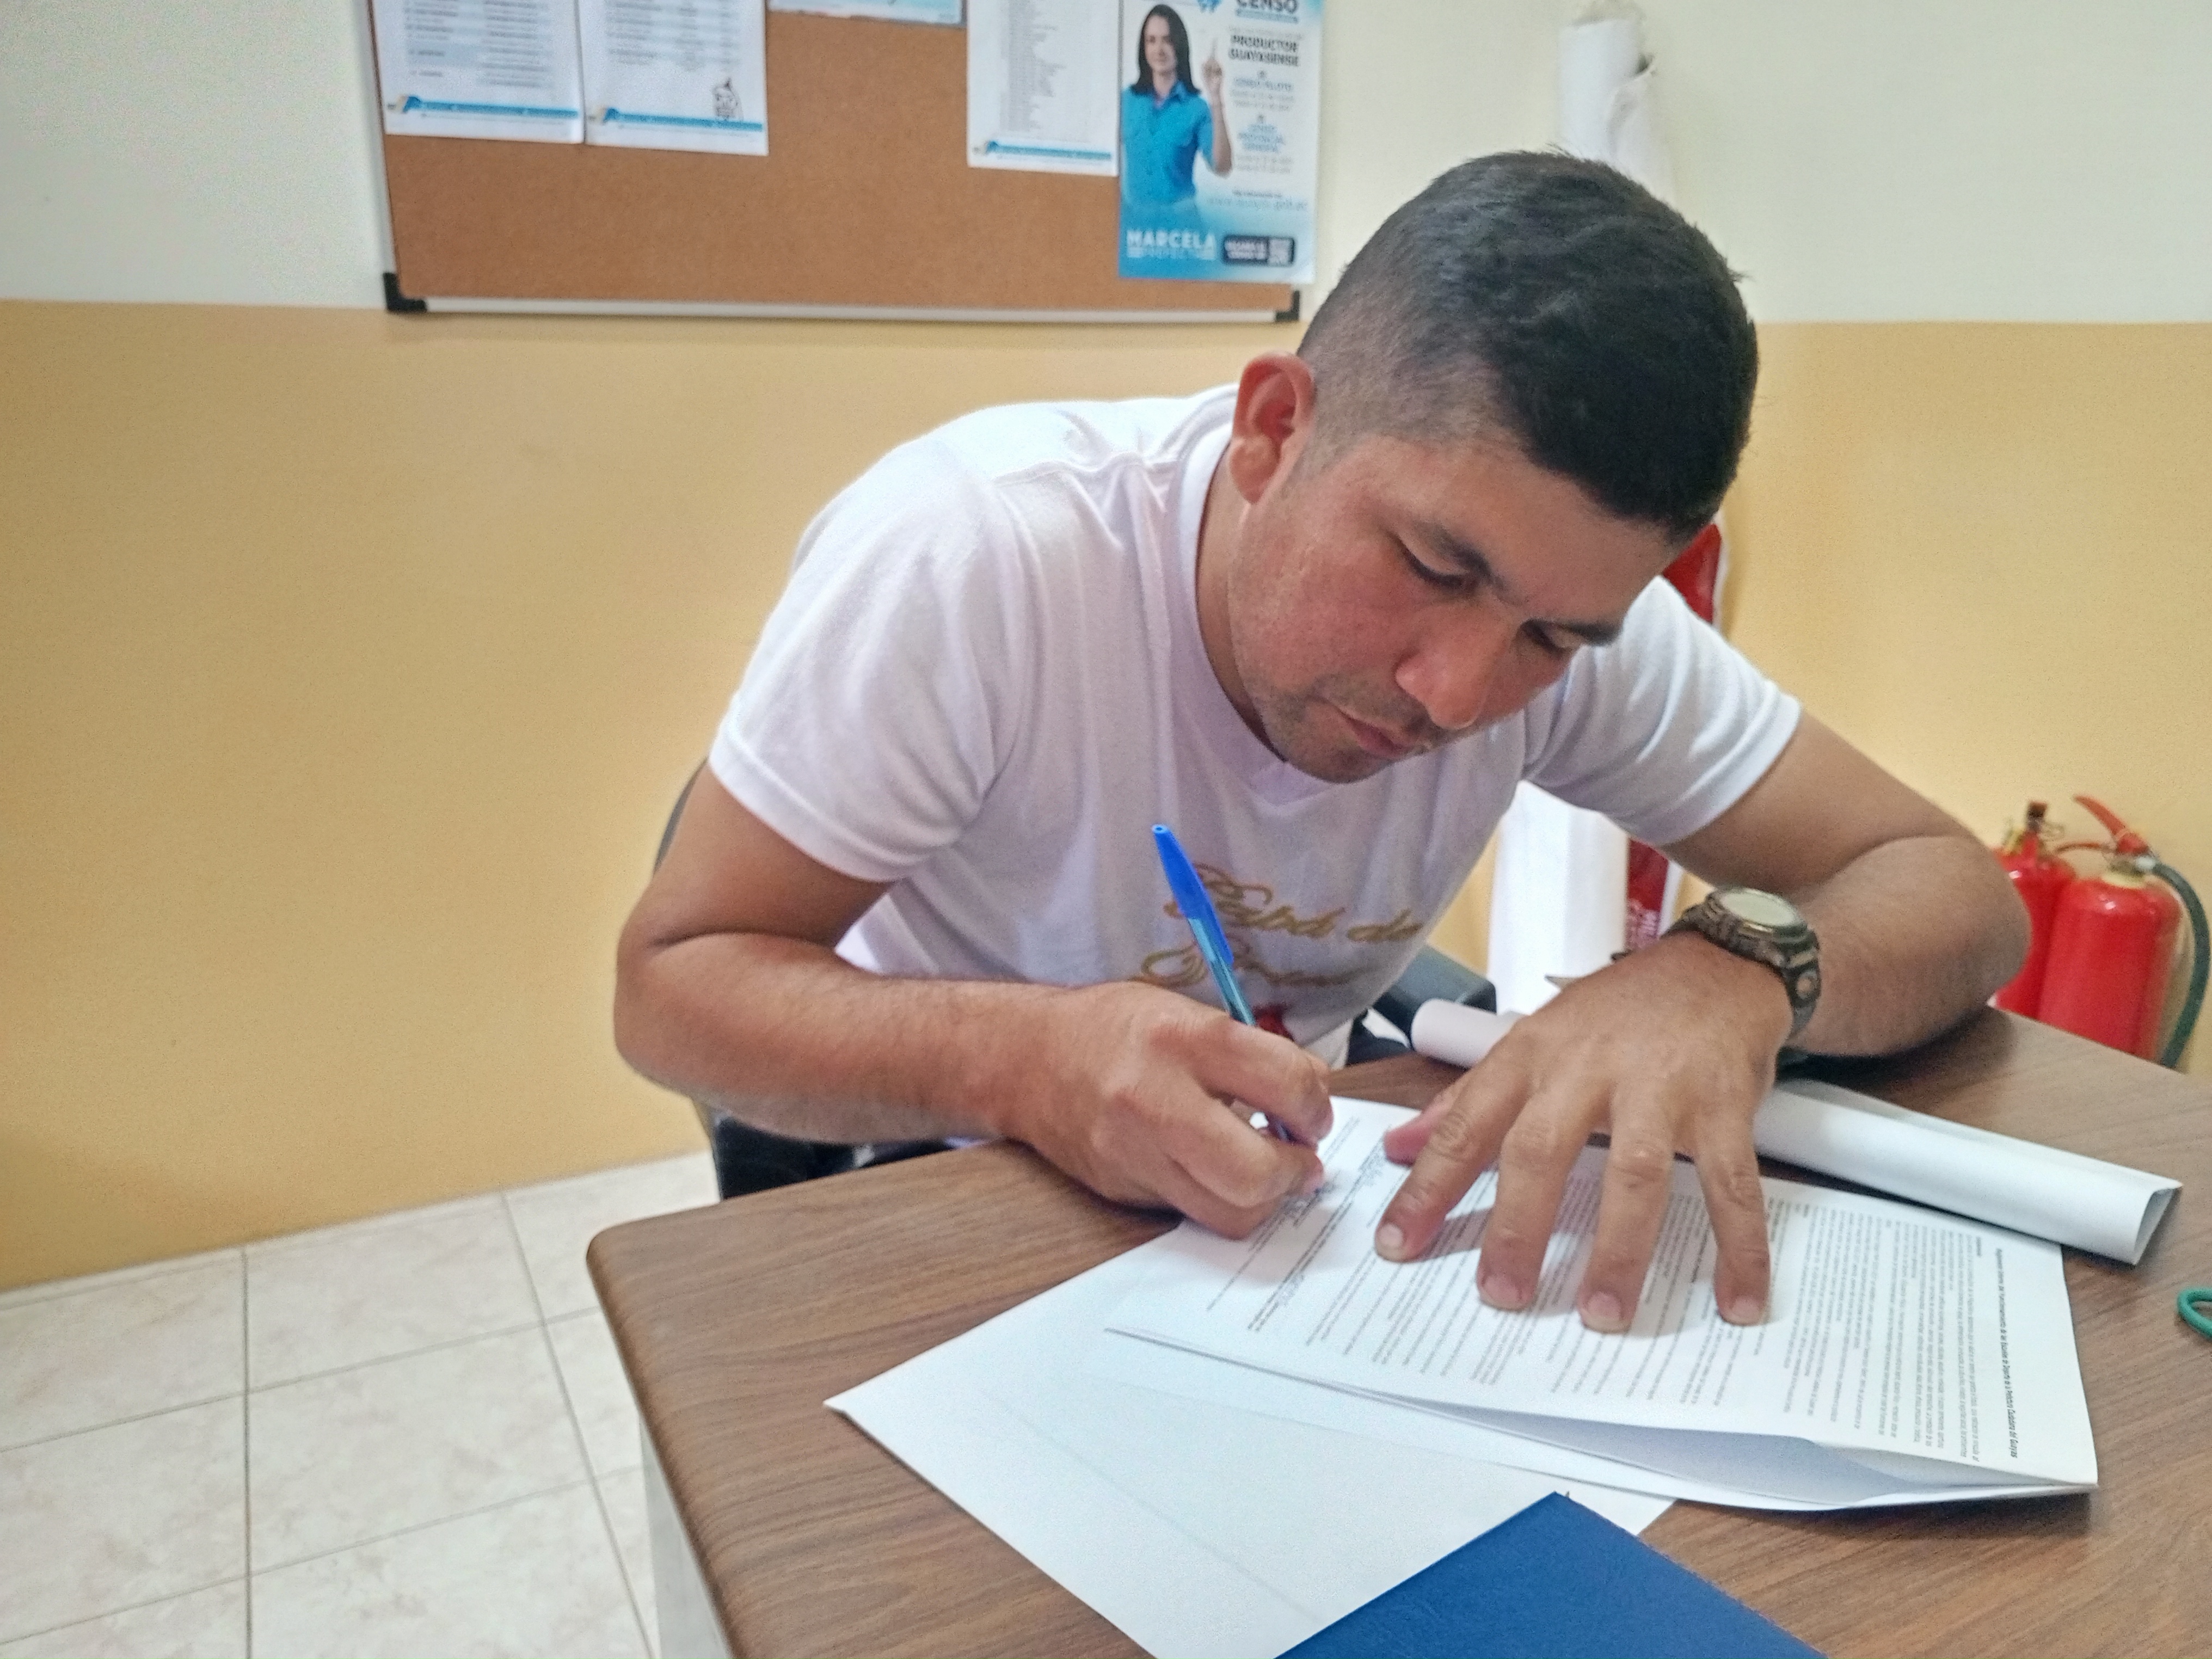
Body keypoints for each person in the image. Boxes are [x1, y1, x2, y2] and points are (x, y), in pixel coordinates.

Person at [615, 153, 2026, 1335]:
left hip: (1275, 1198)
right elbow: (672, 991)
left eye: (1552, 638)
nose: (1459, 695)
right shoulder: (979, 553)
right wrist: (1020, 1062)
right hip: (929, 1156)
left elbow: (1949, 887)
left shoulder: (1571, 609)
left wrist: (1732, 971)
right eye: (1431, 565)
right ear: (1273, 427)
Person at [1121, 4, 1231, 217]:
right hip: (1134, 224)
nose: (1159, 50)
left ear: (1180, 45)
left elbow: (1222, 166)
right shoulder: (1127, 100)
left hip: (1180, 225)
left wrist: (1216, 97)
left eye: (1168, 40)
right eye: (1151, 40)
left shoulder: (1197, 109)